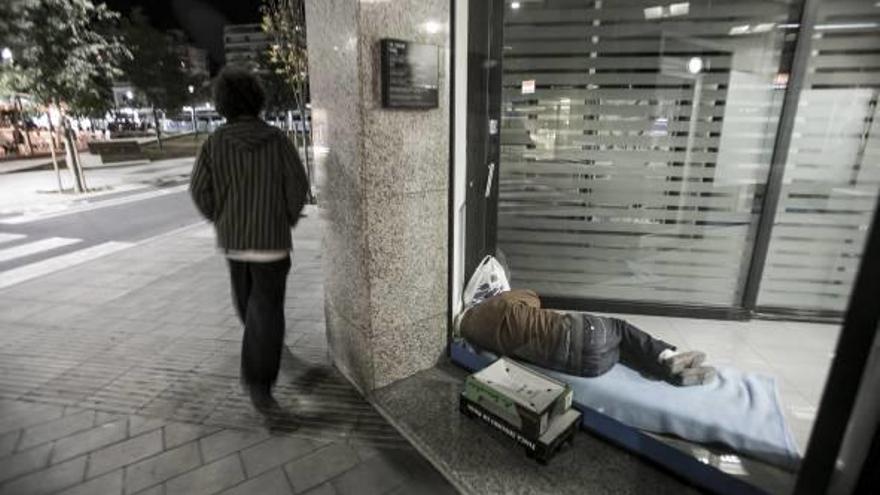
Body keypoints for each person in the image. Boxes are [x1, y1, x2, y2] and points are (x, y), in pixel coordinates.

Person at [189, 67, 309, 411]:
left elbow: (200, 191)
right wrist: (284, 217)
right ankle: (260, 381)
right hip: (271, 243)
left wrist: (222, 218)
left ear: (222, 103)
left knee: (247, 303)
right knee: (267, 310)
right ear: (258, 100)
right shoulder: (277, 141)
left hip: (235, 242)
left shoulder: (214, 144)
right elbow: (297, 187)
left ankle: (261, 350)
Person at [458, 289, 716, 386]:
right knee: (621, 329)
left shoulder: (479, 340)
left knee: (623, 350)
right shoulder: (492, 307)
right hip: (584, 337)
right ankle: (668, 356)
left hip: (591, 367)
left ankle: (673, 374)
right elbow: (532, 297)